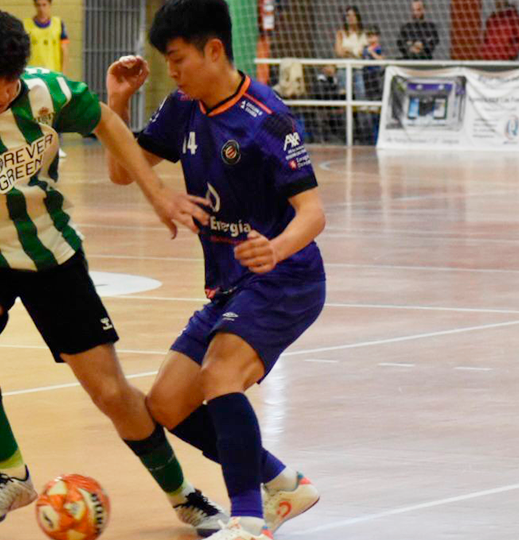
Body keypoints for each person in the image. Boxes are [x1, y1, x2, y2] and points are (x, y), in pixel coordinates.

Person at [0, 8, 228, 536]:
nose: (1, 93)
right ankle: (11, 473)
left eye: (10, 81)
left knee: (112, 395)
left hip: (50, 253)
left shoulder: (46, 91)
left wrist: (156, 195)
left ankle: (184, 496)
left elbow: (107, 123)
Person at [105, 1, 326, 539]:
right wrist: (116, 102)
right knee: (167, 404)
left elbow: (313, 213)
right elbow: (119, 171)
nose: (172, 72)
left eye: (178, 59)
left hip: (285, 278)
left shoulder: (265, 119)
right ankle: (282, 481)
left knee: (220, 376)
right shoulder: (184, 106)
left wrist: (275, 248)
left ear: (215, 49)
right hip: (228, 285)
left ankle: (247, 520)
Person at [23, 0, 69, 158]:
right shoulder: (27, 25)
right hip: (32, 75)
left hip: (53, 75)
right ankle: (33, 146)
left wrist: (63, 73)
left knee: (55, 111)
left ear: (50, 5)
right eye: (39, 5)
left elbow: (65, 51)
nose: (42, 8)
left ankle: (57, 146)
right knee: (33, 112)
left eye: (45, 5)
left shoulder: (58, 24)